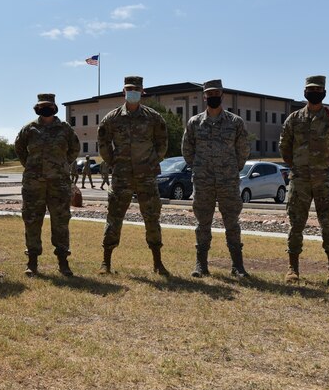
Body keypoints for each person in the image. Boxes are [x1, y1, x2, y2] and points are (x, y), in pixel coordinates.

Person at [97, 76, 170, 275]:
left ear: (142, 91)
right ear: (123, 91)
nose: (133, 92)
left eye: (136, 89)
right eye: (129, 89)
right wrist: (114, 162)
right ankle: (106, 263)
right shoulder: (112, 118)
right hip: (122, 177)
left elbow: (162, 142)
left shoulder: (153, 117)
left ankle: (157, 263)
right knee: (114, 218)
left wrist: (153, 161)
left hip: (146, 176)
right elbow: (103, 143)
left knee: (152, 217)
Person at [279, 75, 329, 286]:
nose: (314, 92)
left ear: (324, 92)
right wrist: (297, 166)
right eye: (311, 89)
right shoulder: (294, 119)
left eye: (318, 89)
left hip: (324, 180)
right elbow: (285, 147)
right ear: (305, 92)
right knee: (296, 223)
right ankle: (293, 269)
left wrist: (325, 168)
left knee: (328, 224)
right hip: (299, 180)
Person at [182, 79, 251, 278]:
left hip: (228, 181)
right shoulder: (195, 123)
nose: (213, 97)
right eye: (209, 94)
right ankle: (201, 265)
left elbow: (243, 150)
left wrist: (230, 169)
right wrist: (199, 167)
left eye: (216, 94)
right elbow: (187, 150)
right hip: (203, 182)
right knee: (203, 223)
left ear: (222, 95)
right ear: (204, 96)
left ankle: (237, 266)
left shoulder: (235, 122)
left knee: (232, 222)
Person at [14, 94, 80, 276]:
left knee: (61, 222)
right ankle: (32, 262)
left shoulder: (65, 129)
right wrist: (30, 165)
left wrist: (62, 164)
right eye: (42, 106)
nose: (46, 109)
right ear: (37, 108)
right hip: (33, 183)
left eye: (49, 106)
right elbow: (19, 148)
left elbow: (75, 148)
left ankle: (63, 262)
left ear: (54, 107)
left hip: (59, 183)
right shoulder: (30, 129)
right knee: (32, 221)